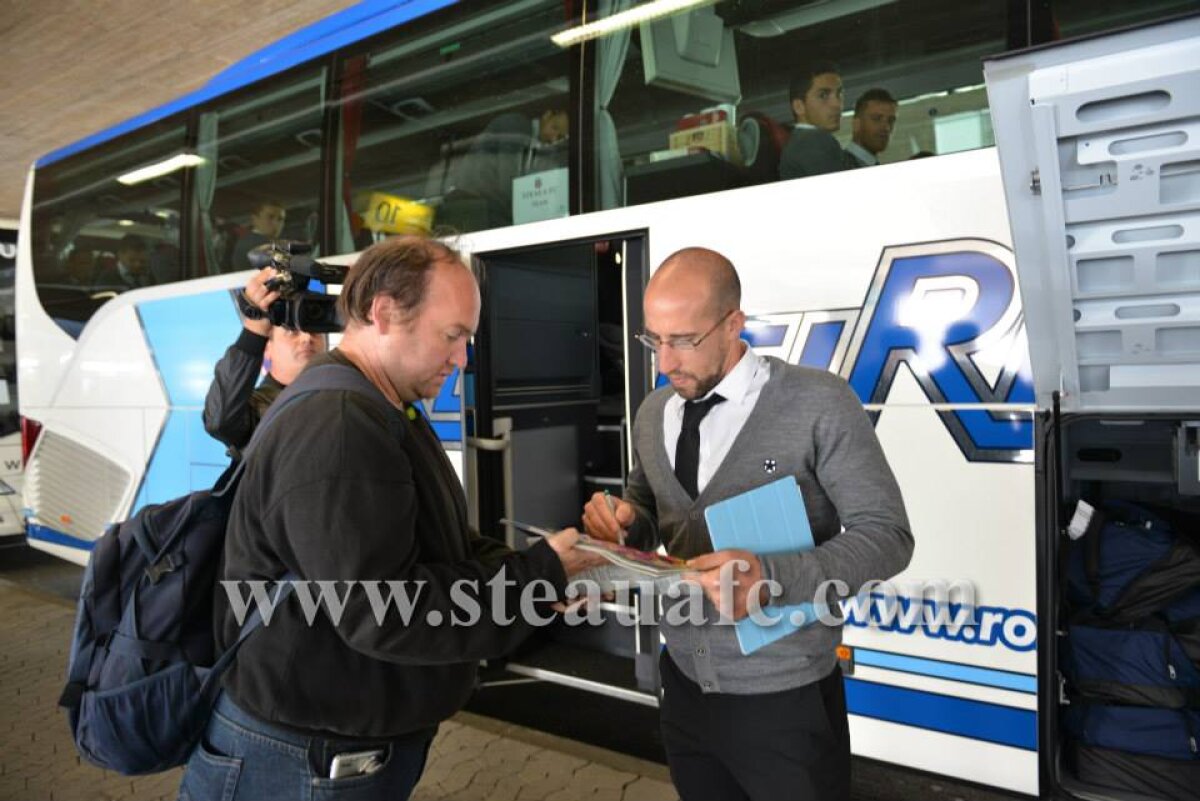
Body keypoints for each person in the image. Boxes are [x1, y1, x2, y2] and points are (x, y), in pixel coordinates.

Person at [181, 236, 600, 801]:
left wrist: (541, 575)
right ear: (382, 314)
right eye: (453, 336)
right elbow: (384, 607)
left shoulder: (380, 403)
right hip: (302, 764)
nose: (463, 359)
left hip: (322, 752)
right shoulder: (340, 421)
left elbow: (434, 548)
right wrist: (531, 579)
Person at [582, 247, 914, 801]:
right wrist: (623, 523)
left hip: (785, 697)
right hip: (683, 686)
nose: (664, 361)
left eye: (683, 340)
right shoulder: (653, 411)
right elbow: (650, 506)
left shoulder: (819, 402)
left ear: (735, 323)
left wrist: (772, 577)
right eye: (653, 339)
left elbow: (887, 534)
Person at [202, 266, 324, 454]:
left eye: (314, 329)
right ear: (267, 349)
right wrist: (255, 328)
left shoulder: (339, 393)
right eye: (292, 331)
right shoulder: (256, 409)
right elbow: (220, 420)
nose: (307, 337)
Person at [779, 63, 852, 180]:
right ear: (799, 106)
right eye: (823, 95)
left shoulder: (797, 142)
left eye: (839, 94)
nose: (837, 104)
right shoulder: (815, 141)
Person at [845, 88, 898, 168]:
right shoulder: (838, 165)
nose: (886, 127)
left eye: (890, 121)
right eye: (876, 119)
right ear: (856, 124)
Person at [229, 200, 287, 271]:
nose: (276, 223)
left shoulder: (246, 241)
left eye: (280, 219)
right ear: (254, 219)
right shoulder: (256, 244)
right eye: (270, 217)